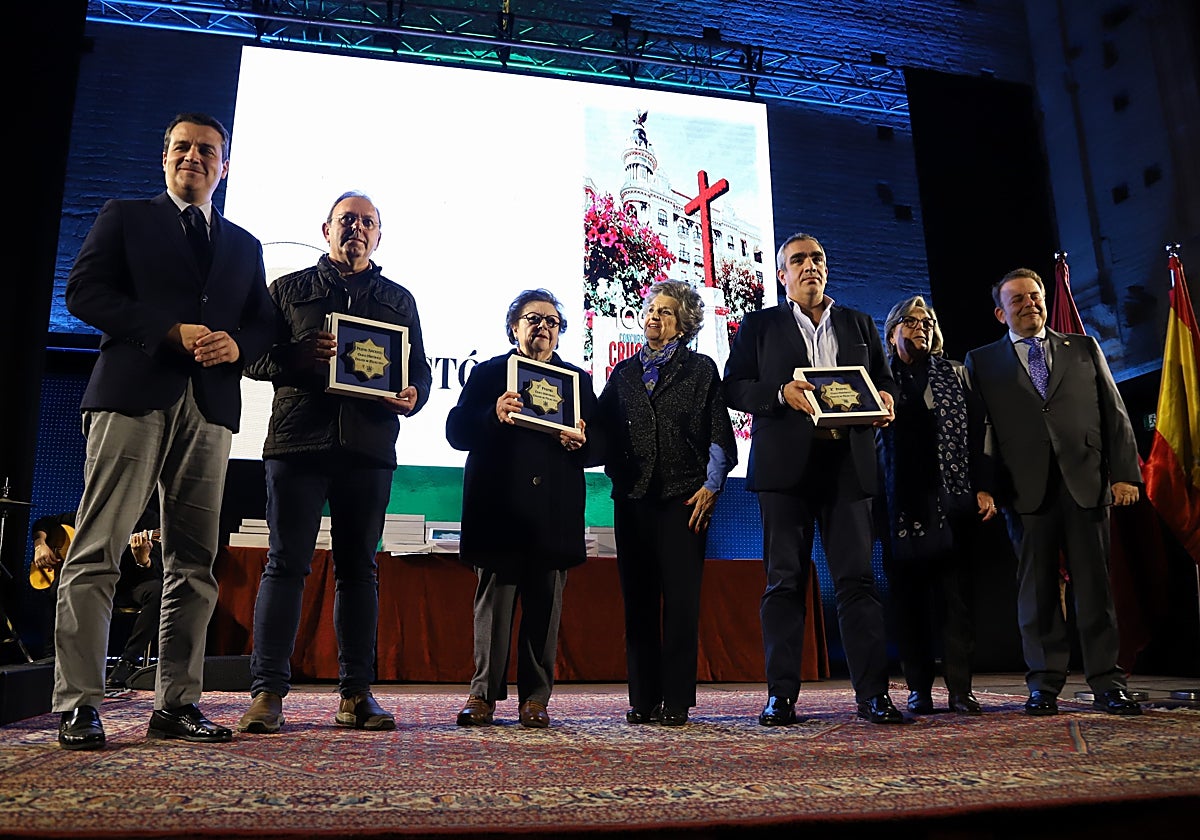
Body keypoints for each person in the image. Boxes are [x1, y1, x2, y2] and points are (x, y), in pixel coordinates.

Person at [54, 112, 277, 750]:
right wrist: (165, 332)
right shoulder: (125, 215)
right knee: (98, 548)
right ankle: (78, 704)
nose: (194, 157)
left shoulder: (243, 245)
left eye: (208, 150)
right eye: (182, 147)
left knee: (194, 562)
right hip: (131, 395)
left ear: (224, 166)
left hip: (208, 410)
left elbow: (263, 325)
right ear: (165, 157)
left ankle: (176, 703)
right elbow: (84, 293)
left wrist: (238, 345)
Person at [235, 191, 432, 735]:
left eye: (368, 223)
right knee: (286, 564)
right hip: (298, 444)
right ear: (326, 229)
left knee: (359, 571)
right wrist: (294, 359)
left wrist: (413, 394)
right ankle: (268, 694)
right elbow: (251, 356)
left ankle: (355, 695)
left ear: (379, 235)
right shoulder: (288, 289)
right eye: (348, 220)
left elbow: (421, 374)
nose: (357, 230)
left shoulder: (399, 299)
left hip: (368, 451)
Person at [723, 232, 903, 726]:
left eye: (818, 258)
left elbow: (884, 383)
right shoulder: (760, 326)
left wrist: (886, 400)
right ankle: (781, 696)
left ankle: (873, 696)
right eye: (798, 260)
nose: (810, 266)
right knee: (784, 583)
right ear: (781, 275)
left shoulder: (860, 323)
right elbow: (735, 386)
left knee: (858, 582)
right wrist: (781, 392)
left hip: (849, 466)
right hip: (785, 472)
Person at [965, 268, 1142, 717]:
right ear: (1000, 313)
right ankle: (1044, 685)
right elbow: (979, 431)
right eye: (1018, 300)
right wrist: (984, 487)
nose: (1030, 304)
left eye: (1035, 296)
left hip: (1086, 482)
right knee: (1037, 593)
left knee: (1095, 589)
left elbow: (1114, 412)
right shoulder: (981, 361)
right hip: (1024, 490)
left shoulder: (1083, 347)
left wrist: (1125, 475)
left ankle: (1107, 682)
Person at [447, 289, 598, 729]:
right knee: (492, 613)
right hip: (498, 513)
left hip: (552, 516)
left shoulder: (576, 380)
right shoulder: (489, 374)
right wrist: (492, 413)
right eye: (533, 319)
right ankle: (483, 697)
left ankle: (535, 699)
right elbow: (456, 431)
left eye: (552, 321)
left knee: (544, 612)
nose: (543, 327)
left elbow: (601, 443)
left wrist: (583, 441)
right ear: (513, 327)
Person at [595, 280, 737, 726]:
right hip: (633, 499)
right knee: (637, 602)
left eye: (667, 312)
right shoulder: (623, 375)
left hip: (684, 499)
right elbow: (599, 428)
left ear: (683, 325)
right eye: (651, 309)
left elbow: (719, 433)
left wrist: (712, 486)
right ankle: (642, 698)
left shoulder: (701, 370)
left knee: (680, 604)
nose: (654, 316)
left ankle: (675, 700)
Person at [876, 295, 996, 716]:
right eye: (909, 322)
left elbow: (982, 433)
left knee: (955, 601)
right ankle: (918, 689)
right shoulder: (878, 381)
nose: (920, 327)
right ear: (891, 333)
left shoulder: (956, 374)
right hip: (898, 508)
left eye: (926, 322)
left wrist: (984, 487)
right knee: (908, 604)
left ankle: (961, 689)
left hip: (952, 502)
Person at [31, 502, 164, 689]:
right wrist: (40, 545)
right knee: (62, 583)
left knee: (157, 590)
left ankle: (128, 661)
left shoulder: (150, 521)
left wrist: (143, 560)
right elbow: (44, 522)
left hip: (130, 585)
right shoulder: (95, 511)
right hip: (97, 581)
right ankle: (52, 655)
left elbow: (155, 571)